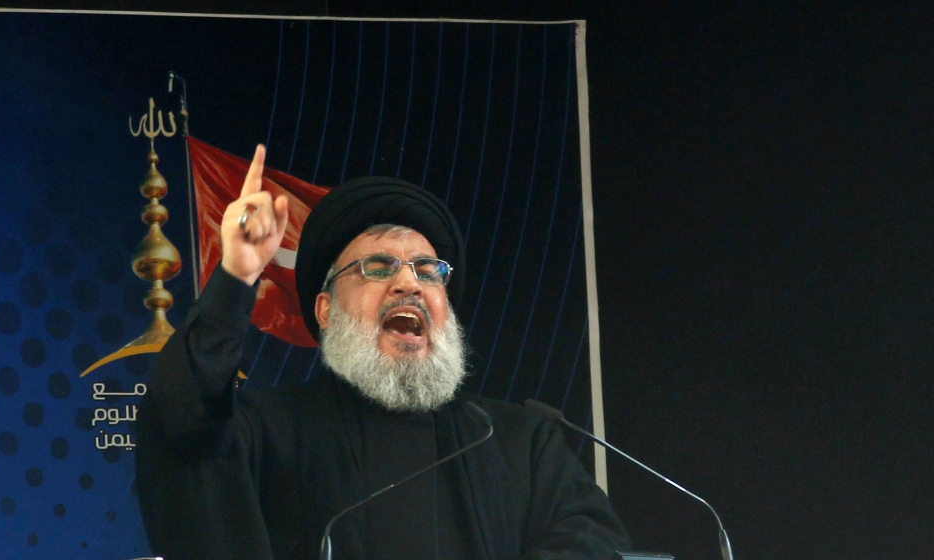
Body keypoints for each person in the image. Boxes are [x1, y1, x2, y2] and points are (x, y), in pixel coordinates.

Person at [135, 146, 630, 559]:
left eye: (429, 269)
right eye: (377, 266)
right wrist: (236, 278)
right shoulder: (269, 431)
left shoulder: (518, 441)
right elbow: (182, 419)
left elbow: (592, 543)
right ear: (326, 310)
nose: (408, 283)